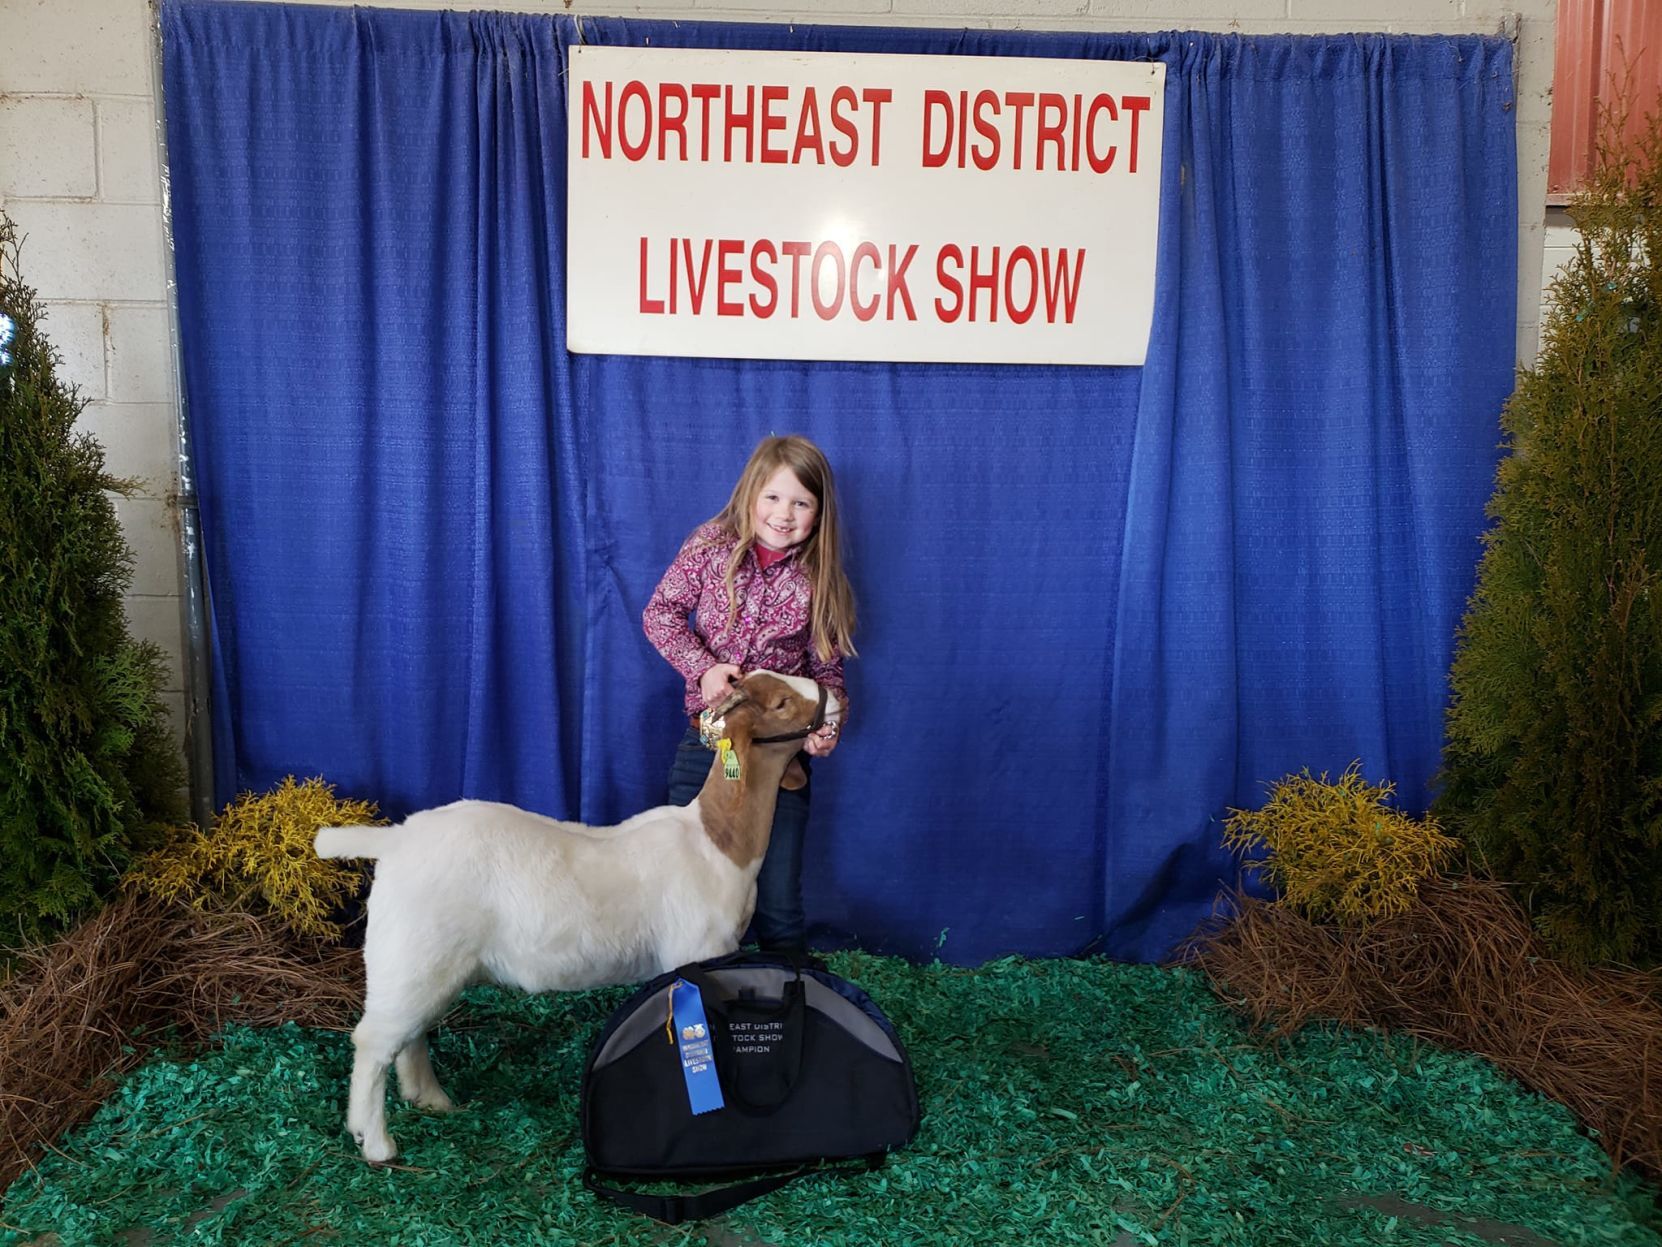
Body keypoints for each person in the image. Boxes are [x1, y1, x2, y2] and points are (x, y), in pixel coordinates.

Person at [642, 435, 857, 953]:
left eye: (801, 503)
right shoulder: (709, 547)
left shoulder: (819, 579)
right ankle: (679, 1000)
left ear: (819, 512)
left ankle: (791, 1002)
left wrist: (826, 728)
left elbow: (828, 677)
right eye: (774, 497)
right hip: (712, 748)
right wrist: (705, 669)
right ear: (750, 494)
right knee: (686, 886)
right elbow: (661, 614)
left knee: (778, 900)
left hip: (778, 766)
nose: (784, 514)